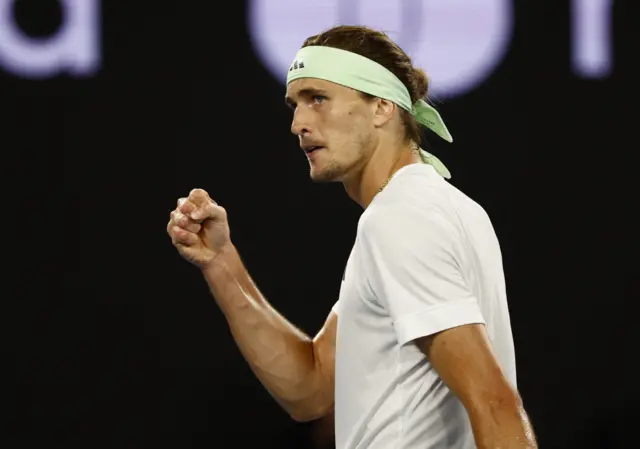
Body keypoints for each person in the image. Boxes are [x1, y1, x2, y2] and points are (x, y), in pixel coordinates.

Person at [167, 25, 537, 449]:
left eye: (318, 99)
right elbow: (312, 388)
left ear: (382, 106)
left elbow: (494, 403)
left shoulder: (401, 218)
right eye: (295, 104)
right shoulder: (436, 207)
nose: (297, 124)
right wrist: (221, 263)